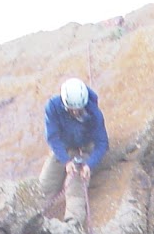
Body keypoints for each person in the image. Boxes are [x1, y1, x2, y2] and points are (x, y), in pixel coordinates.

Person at [39, 77, 109, 223]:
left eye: (79, 110)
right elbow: (52, 137)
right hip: (64, 147)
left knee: (75, 187)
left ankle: (72, 222)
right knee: (46, 185)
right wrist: (66, 160)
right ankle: (32, 213)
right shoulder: (53, 107)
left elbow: (102, 143)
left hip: (85, 148)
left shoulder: (94, 113)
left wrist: (89, 164)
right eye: (72, 110)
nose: (76, 113)